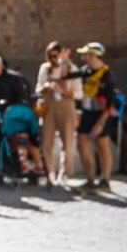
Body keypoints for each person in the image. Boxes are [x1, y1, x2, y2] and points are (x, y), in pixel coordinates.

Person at [73, 41, 118, 191]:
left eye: (86, 54)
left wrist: (101, 123)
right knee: (82, 145)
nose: (83, 57)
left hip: (102, 114)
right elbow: (69, 76)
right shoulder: (85, 71)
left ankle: (105, 180)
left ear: (94, 55)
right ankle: (90, 180)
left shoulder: (107, 74)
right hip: (87, 112)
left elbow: (109, 102)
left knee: (102, 145)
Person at [37, 42, 79, 189]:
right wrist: (46, 87)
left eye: (56, 55)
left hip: (66, 106)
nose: (53, 59)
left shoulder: (72, 69)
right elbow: (38, 88)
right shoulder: (45, 69)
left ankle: (65, 173)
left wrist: (63, 91)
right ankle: (50, 173)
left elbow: (78, 93)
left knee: (67, 142)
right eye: (50, 56)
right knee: (47, 141)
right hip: (49, 105)